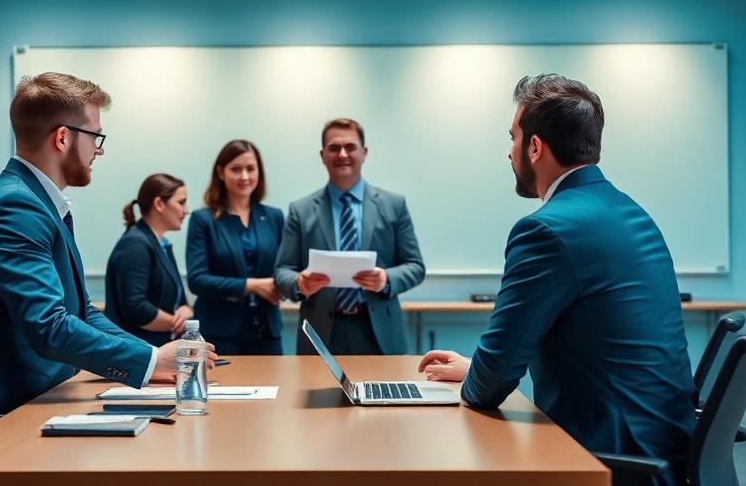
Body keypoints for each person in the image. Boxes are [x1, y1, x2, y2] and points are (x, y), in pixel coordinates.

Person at [417, 74, 696, 486]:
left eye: (513, 138)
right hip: (663, 445)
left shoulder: (546, 230)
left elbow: (487, 388)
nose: (509, 152)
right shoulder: (631, 212)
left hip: (608, 457)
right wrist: (481, 367)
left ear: (534, 147)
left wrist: (483, 374)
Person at [0, 72, 216, 414]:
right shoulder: (14, 207)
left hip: (32, 395)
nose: (99, 149)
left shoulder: (39, 203)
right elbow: (49, 326)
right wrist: (152, 360)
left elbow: (83, 313)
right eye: (95, 136)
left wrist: (158, 363)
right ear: (62, 138)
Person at [275, 118, 425, 355]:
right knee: (318, 394)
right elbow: (282, 270)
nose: (342, 154)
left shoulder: (393, 205)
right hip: (321, 333)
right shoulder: (300, 210)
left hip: (379, 332)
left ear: (364, 153)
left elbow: (415, 267)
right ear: (322, 155)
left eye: (350, 147)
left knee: (383, 392)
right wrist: (299, 283)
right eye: (334, 148)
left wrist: (386, 278)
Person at [186, 140, 284, 354]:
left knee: (277, 388)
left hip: (267, 331)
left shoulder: (274, 217)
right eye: (236, 169)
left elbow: (284, 268)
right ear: (221, 173)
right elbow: (197, 280)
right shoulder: (203, 219)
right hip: (219, 333)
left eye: (251, 169)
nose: (245, 177)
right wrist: (251, 285)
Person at [104, 173, 193, 347]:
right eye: (181, 202)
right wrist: (182, 324)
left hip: (158, 348)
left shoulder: (162, 244)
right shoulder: (135, 243)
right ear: (159, 204)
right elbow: (135, 307)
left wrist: (186, 310)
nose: (186, 210)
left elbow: (179, 300)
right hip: (138, 350)